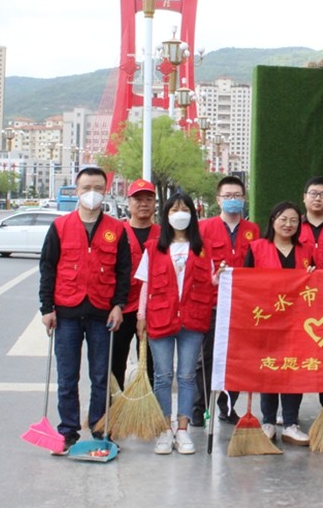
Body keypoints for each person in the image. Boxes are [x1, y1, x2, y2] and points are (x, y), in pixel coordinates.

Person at [38, 166, 131, 454]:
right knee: (67, 377)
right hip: (67, 311)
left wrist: (119, 305)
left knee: (101, 376)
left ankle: (101, 428)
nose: (92, 193)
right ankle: (67, 431)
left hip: (102, 313)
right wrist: (46, 308)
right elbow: (48, 267)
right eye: (86, 188)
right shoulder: (60, 227)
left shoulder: (117, 229)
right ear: (77, 191)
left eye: (98, 189)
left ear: (105, 191)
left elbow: (124, 271)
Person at [135, 192, 215, 456]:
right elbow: (145, 285)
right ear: (166, 215)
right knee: (163, 376)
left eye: (185, 209)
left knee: (187, 375)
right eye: (174, 210)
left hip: (192, 318)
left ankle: (182, 429)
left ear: (193, 214)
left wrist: (222, 275)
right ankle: (164, 429)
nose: (179, 214)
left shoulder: (202, 248)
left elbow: (212, 281)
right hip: (160, 317)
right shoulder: (154, 248)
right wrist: (141, 316)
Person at [244, 201, 313, 446]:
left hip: (298, 321)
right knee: (269, 369)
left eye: (294, 220)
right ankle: (269, 422)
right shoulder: (257, 248)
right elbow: (245, 283)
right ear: (273, 220)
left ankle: (291, 423)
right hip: (266, 320)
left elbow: (314, 284)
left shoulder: (306, 251)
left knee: (294, 370)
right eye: (283, 219)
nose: (288, 224)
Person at [193, 175, 259, 426]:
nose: (233, 200)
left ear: (244, 199)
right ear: (218, 200)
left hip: (241, 304)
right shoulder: (204, 228)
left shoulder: (253, 230)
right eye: (228, 196)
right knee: (207, 357)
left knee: (236, 358)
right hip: (211, 303)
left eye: (237, 196)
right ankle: (199, 407)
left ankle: (228, 406)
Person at [111, 178, 160, 389]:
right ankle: (113, 405)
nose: (143, 204)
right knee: (115, 363)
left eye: (149, 199)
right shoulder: (117, 232)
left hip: (153, 310)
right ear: (128, 202)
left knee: (152, 367)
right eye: (138, 199)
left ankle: (149, 406)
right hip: (122, 308)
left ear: (155, 203)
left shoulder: (163, 234)